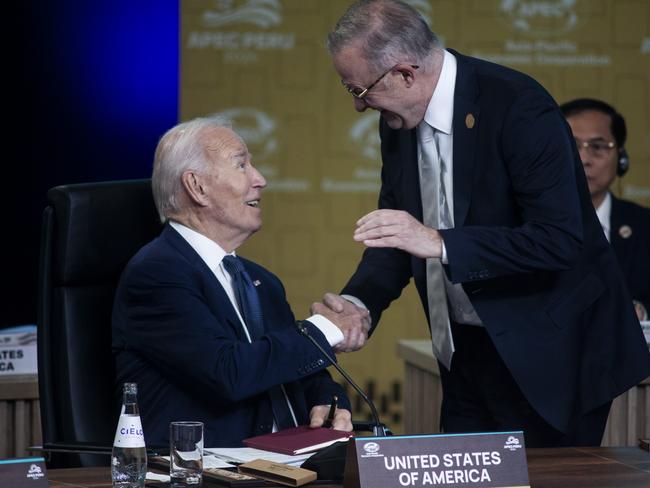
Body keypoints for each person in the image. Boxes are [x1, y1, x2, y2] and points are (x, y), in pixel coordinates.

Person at [314, 0, 650, 447]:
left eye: (359, 91)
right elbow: (397, 237)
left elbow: (559, 240)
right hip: (466, 350)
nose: (360, 107)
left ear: (404, 73)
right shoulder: (396, 121)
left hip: (550, 352)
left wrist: (439, 241)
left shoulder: (518, 106)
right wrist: (359, 303)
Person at [112, 115, 353, 447]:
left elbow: (285, 369)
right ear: (197, 186)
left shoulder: (261, 282)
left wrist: (328, 395)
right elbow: (229, 373)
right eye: (242, 166)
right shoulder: (157, 274)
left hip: (290, 466)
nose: (260, 180)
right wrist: (326, 328)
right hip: (201, 471)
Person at [560, 98, 649, 321]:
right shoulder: (521, 225)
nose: (583, 159)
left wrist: (642, 310)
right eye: (571, 146)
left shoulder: (645, 226)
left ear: (622, 159)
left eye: (597, 147)